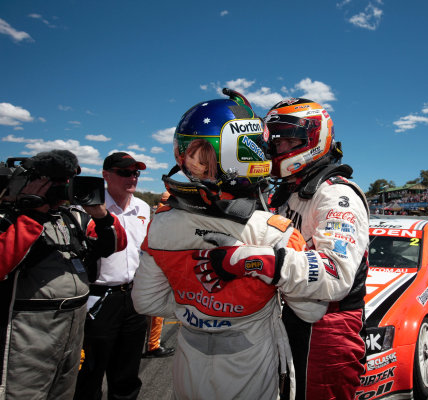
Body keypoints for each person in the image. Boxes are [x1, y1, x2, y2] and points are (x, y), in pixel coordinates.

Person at [132, 90, 311, 399]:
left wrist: (196, 310)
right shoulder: (276, 233)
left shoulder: (160, 224)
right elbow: (309, 309)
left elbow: (145, 302)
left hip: (190, 357)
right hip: (251, 361)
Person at [200, 97, 369, 400]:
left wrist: (251, 261)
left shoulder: (337, 195)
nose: (275, 149)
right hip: (295, 315)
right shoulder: (292, 191)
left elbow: (335, 274)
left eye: (283, 140)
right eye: (272, 141)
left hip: (329, 327)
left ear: (312, 138)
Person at [0, 150, 126, 400]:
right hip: (28, 333)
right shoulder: (10, 219)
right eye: (54, 182)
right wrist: (32, 212)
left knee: (64, 392)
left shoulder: (72, 218)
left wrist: (101, 216)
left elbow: (117, 244)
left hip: (73, 327)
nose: (62, 188)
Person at [75, 152, 151, 400]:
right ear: (106, 175)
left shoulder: (143, 207)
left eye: (136, 173)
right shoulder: (86, 209)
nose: (132, 178)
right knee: (89, 375)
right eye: (125, 172)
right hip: (98, 300)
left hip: (133, 298)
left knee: (127, 375)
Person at [142, 191, 174, 359]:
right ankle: (153, 345)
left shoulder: (158, 214)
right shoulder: (166, 215)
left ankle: (150, 343)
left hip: (148, 263)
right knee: (156, 311)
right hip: (158, 265)